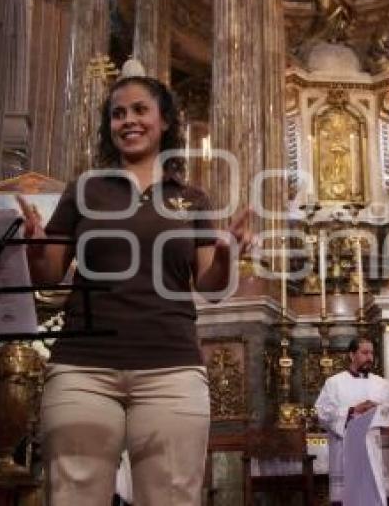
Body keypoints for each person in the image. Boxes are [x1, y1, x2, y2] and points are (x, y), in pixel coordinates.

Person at [18, 64, 251, 505]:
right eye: (118, 113)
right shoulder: (85, 189)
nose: (128, 121)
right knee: (72, 495)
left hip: (171, 368)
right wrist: (34, 246)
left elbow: (212, 287)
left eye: (140, 110)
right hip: (83, 369)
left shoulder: (192, 198)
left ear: (164, 121)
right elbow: (47, 275)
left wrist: (225, 253)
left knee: (172, 497)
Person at [314, 336, 389, 505]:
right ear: (352, 355)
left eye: (372, 353)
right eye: (364, 353)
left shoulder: (382, 384)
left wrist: (379, 410)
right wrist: (352, 411)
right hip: (344, 451)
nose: (370, 358)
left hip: (374, 450)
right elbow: (322, 412)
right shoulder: (334, 383)